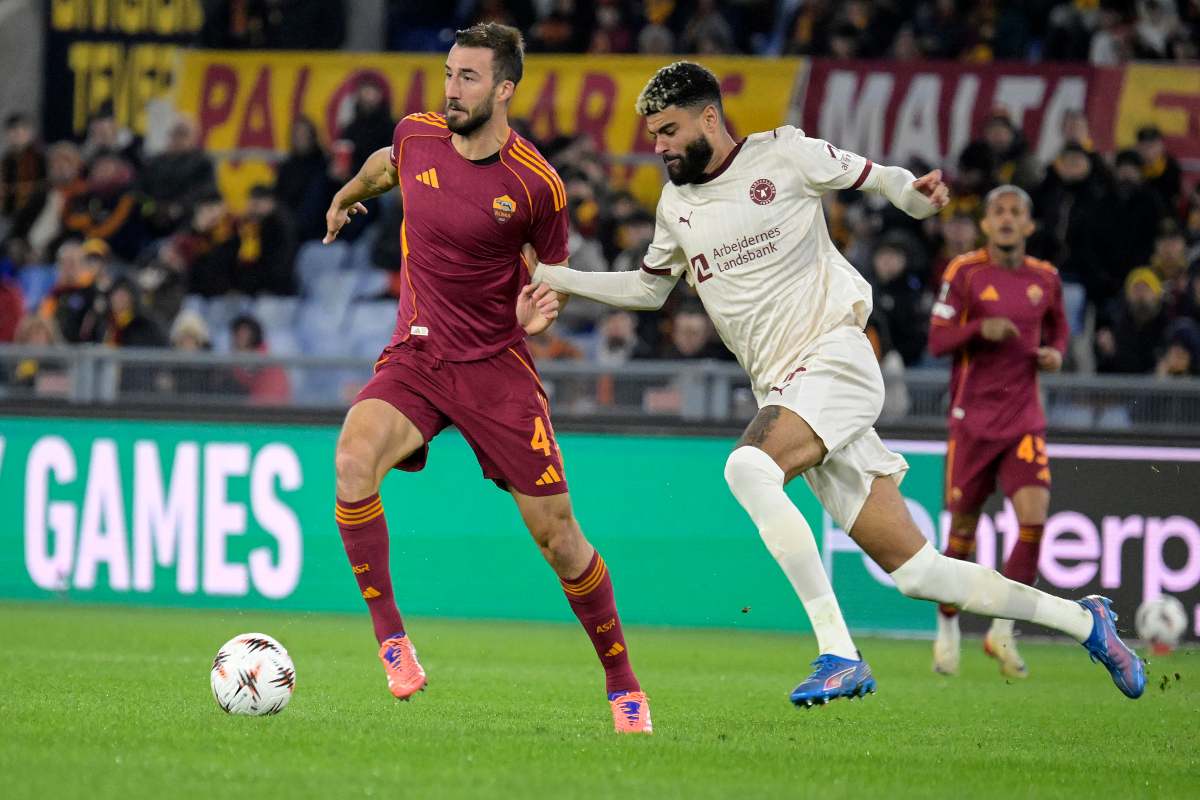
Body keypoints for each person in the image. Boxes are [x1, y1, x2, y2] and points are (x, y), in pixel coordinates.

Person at [533, 61, 1144, 706]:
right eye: (653, 134)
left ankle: (839, 652)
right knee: (918, 573)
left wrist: (914, 197)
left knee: (748, 468)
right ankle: (1085, 622)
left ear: (709, 118)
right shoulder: (675, 205)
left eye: (668, 130)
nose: (658, 146)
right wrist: (553, 276)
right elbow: (648, 289)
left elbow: (882, 178)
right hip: (787, 390)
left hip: (834, 357)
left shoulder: (786, 154)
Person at [321, 23, 651, 733]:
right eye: (448, 73)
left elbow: (551, 279)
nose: (452, 89)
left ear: (504, 89)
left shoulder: (536, 184)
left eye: (468, 77)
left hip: (496, 367)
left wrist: (539, 312)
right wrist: (347, 195)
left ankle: (623, 683)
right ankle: (392, 642)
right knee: (352, 459)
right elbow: (385, 166)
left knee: (558, 538)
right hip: (417, 356)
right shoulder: (417, 135)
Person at [926, 185, 1067, 679]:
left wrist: (1056, 354)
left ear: (1029, 225)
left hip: (1023, 418)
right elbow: (937, 340)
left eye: (1015, 212)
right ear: (986, 224)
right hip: (973, 421)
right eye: (998, 211)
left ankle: (1002, 631)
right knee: (962, 534)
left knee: (1034, 520)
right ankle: (947, 628)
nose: (1007, 219)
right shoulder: (964, 272)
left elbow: (1059, 329)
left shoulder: (1046, 278)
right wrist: (977, 330)